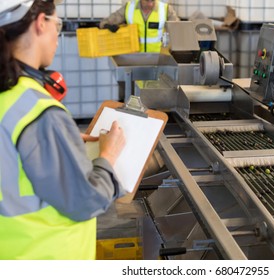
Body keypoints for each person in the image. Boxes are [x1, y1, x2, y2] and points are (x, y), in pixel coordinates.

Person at [0, 0, 126, 259]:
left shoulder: (9, 97)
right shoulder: (38, 111)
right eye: (57, 24)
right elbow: (85, 201)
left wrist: (57, 143)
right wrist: (108, 155)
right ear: (40, 23)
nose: (57, 35)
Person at [100, 0, 179, 53]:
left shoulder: (165, 9)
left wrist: (170, 46)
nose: (150, 3)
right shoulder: (129, 7)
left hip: (159, 60)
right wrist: (106, 26)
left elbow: (178, 29)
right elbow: (106, 22)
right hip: (135, 59)